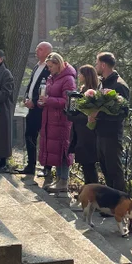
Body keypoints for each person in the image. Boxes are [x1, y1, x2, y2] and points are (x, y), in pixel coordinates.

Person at [38, 52, 77, 194]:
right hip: (50, 118)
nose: (49, 69)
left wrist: (49, 100)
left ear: (57, 64)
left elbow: (69, 100)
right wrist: (42, 101)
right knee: (55, 150)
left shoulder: (68, 79)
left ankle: (64, 180)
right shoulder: (51, 78)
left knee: (62, 149)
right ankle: (59, 178)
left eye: (50, 66)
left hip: (61, 120)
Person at [94, 52, 130, 191]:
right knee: (105, 169)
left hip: (112, 134)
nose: (96, 66)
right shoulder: (102, 83)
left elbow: (123, 112)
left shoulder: (119, 85)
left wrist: (100, 114)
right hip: (101, 132)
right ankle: (110, 204)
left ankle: (120, 204)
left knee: (114, 171)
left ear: (103, 65)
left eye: (97, 63)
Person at [19, 41, 52, 177]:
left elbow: (47, 88)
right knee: (29, 135)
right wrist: (27, 98)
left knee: (45, 137)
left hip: (42, 109)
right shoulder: (36, 66)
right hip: (31, 108)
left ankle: (47, 167)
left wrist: (35, 101)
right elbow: (32, 85)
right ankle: (30, 164)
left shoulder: (49, 68)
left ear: (48, 52)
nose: (36, 50)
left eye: (40, 49)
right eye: (37, 48)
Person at [68, 64, 101, 186]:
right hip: (80, 132)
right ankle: (88, 190)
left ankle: (92, 191)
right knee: (85, 164)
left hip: (88, 133)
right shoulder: (81, 90)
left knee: (89, 165)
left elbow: (88, 114)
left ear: (86, 76)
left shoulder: (93, 93)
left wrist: (73, 116)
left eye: (81, 73)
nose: (79, 76)